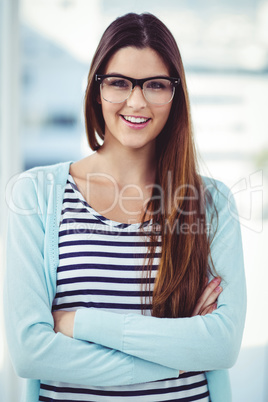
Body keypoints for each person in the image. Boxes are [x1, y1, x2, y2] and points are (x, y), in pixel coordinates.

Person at [4, 12, 246, 402]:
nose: (137, 101)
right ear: (96, 89)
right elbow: (31, 353)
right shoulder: (35, 195)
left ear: (175, 93)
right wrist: (180, 356)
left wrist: (76, 323)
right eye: (119, 83)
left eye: (155, 85)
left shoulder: (212, 204)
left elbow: (221, 347)